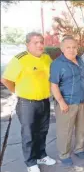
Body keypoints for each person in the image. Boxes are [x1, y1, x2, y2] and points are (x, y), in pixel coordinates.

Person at [1, 32, 56, 172]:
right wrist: (17, 91)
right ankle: (30, 162)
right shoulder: (20, 59)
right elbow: (5, 79)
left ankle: (41, 155)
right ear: (27, 44)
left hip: (44, 101)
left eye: (41, 42)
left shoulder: (46, 58)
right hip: (27, 104)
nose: (39, 45)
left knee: (43, 130)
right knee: (29, 133)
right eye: (35, 42)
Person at [50, 36, 84, 166]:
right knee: (65, 130)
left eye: (74, 47)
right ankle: (64, 154)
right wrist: (61, 102)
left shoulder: (80, 60)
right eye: (68, 47)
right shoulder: (57, 64)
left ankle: (79, 149)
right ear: (62, 49)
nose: (71, 50)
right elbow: (54, 85)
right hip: (67, 103)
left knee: (81, 127)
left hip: (82, 100)